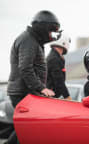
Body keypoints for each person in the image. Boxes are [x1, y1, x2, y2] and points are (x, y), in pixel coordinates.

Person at [7, 10, 60, 144]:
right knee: (29, 127)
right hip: (22, 92)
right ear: (43, 28)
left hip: (27, 91)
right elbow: (25, 68)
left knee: (26, 126)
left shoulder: (33, 40)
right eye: (51, 31)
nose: (51, 35)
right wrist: (41, 88)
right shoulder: (28, 40)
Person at [46, 33, 72, 100]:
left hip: (52, 96)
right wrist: (67, 96)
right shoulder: (54, 59)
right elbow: (59, 80)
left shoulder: (55, 57)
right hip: (50, 97)